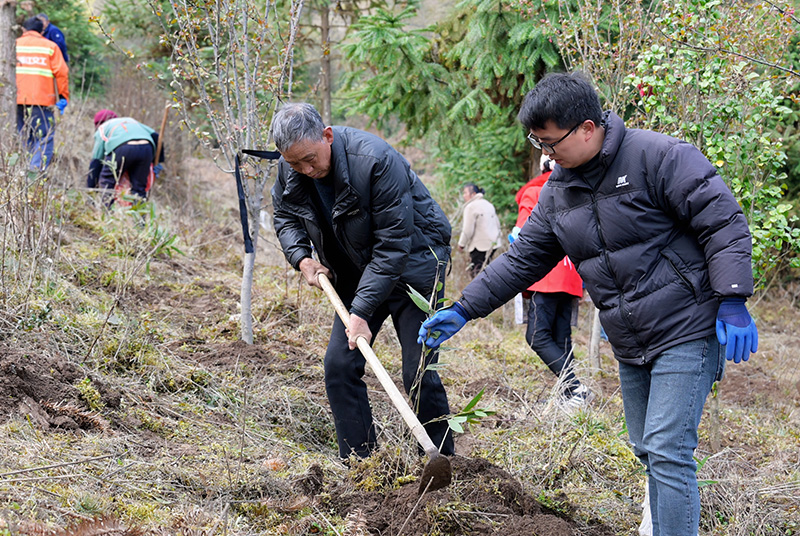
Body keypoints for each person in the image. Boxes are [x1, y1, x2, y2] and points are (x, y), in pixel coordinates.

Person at [418, 72, 758, 536]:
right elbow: (522, 261)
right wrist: (463, 309)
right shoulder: (560, 192)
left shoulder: (658, 156)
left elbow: (723, 223)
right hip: (629, 337)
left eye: (550, 142)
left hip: (688, 325)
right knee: (646, 448)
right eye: (538, 142)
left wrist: (733, 297)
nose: (545, 154)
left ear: (586, 128)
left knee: (666, 448)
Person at [270, 102, 455, 459]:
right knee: (339, 365)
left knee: (417, 368)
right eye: (294, 163)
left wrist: (362, 312)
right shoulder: (290, 167)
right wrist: (302, 258)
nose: (305, 170)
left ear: (327, 136)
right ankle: (361, 462)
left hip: (413, 266)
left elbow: (392, 247)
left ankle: (441, 459)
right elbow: (285, 214)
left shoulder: (375, 161)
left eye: (310, 159)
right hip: (354, 269)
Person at [511, 155, 590, 410]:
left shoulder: (534, 191)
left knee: (536, 336)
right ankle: (570, 396)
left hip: (545, 274)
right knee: (561, 336)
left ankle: (575, 386)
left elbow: (522, 236)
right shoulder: (578, 192)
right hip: (572, 274)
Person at [15, 16, 69, 171]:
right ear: (42, 30)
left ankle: (23, 169)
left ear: (24, 29)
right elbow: (62, 73)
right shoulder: (50, 47)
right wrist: (63, 97)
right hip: (41, 100)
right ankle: (35, 173)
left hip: (16, 99)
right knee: (44, 136)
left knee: (23, 135)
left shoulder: (13, 45)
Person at [87, 110, 165, 206]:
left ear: (97, 124)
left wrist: (90, 193)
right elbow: (156, 136)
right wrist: (157, 162)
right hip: (146, 147)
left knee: (108, 181)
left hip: (122, 147)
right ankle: (140, 219)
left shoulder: (102, 128)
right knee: (139, 188)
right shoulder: (130, 121)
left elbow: (96, 162)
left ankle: (106, 214)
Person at [458, 183, 501, 279]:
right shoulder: (488, 204)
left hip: (479, 246)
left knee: (476, 274)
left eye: (465, 193)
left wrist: (461, 244)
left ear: (473, 194)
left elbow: (467, 230)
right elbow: (498, 224)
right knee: (486, 270)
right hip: (493, 244)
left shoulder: (470, 207)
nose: (464, 196)